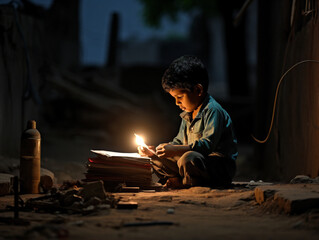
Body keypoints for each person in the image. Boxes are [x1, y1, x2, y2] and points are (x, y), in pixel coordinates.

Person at [139, 55, 238, 189]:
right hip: (192, 164)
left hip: (216, 166)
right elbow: (179, 142)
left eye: (180, 97)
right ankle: (180, 179)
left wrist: (174, 150)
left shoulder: (213, 111)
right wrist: (159, 151)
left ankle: (186, 182)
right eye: (174, 98)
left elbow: (207, 146)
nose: (177, 102)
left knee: (189, 158)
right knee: (154, 159)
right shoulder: (188, 114)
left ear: (198, 90)